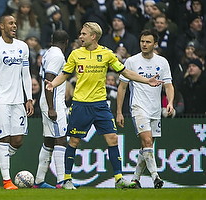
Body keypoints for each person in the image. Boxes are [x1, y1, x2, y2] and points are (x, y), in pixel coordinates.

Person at [45, 22, 163, 190]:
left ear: (93, 36)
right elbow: (64, 74)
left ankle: (118, 178)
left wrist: (147, 80)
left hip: (100, 105)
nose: (80, 36)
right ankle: (67, 179)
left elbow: (125, 72)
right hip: (80, 104)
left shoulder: (107, 54)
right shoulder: (75, 54)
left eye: (83, 34)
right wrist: (53, 85)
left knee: (113, 139)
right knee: (74, 141)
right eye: (80, 33)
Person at [116, 29, 175, 189]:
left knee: (146, 147)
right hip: (138, 107)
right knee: (148, 141)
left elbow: (168, 85)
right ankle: (156, 177)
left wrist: (170, 102)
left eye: (148, 42)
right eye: (142, 41)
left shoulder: (162, 62)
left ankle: (135, 179)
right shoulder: (131, 61)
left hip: (155, 109)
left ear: (155, 44)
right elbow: (122, 88)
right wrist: (119, 112)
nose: (144, 44)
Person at [0, 15, 34, 190]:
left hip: (18, 100)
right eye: (10, 23)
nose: (14, 26)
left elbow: (26, 75)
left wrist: (29, 98)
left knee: (17, 140)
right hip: (0, 101)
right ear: (1, 25)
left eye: (15, 23)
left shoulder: (23, 47)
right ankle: (6, 180)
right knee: (4, 139)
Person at [33, 30, 69, 189]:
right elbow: (50, 79)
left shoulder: (48, 53)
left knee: (49, 141)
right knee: (60, 139)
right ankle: (62, 181)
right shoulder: (58, 56)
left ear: (52, 39)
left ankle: (39, 180)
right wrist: (51, 107)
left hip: (47, 100)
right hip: (53, 101)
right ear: (66, 42)